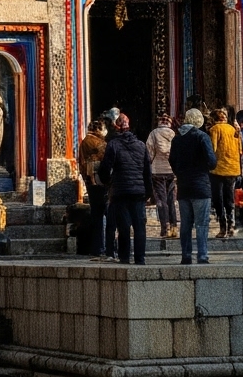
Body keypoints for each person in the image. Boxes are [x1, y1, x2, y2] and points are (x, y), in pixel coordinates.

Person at [102, 113, 151, 265]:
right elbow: (147, 171)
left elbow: (105, 168)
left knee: (123, 226)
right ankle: (140, 258)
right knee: (139, 226)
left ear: (116, 127)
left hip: (121, 191)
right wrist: (148, 192)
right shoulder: (141, 145)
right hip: (138, 191)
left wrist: (108, 182)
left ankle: (124, 257)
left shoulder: (113, 145)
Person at [168, 108, 216, 265]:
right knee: (201, 224)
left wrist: (180, 172)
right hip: (201, 185)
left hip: (184, 186)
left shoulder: (177, 139)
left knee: (186, 224)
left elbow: (172, 160)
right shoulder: (202, 137)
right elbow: (212, 161)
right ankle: (202, 255)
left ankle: (186, 255)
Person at [76, 116, 110, 258]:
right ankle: (105, 247)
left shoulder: (85, 142)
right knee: (104, 215)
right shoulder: (96, 143)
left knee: (97, 215)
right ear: (98, 129)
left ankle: (98, 247)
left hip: (91, 183)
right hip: (99, 182)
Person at [207, 107, 242, 243]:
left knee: (218, 199)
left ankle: (222, 227)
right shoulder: (233, 130)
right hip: (233, 169)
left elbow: (212, 149)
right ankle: (231, 226)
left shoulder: (214, 130)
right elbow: (240, 150)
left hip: (218, 170)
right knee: (230, 198)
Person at [146, 112, 179, 248]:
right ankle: (174, 227)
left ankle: (165, 227)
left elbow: (149, 152)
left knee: (161, 200)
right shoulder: (174, 135)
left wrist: (149, 165)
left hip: (158, 171)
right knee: (171, 200)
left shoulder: (154, 134)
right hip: (172, 171)